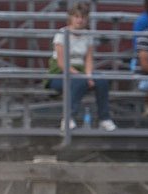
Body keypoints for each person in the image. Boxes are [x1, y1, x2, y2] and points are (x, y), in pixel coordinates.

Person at [46, 1, 117, 131]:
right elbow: (62, 63)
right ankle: (68, 118)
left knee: (101, 81)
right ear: (71, 18)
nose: (80, 20)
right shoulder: (61, 34)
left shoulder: (87, 35)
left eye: (83, 17)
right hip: (59, 73)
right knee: (79, 81)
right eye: (77, 16)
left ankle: (104, 118)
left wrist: (89, 75)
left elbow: (89, 60)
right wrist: (82, 76)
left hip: (82, 71)